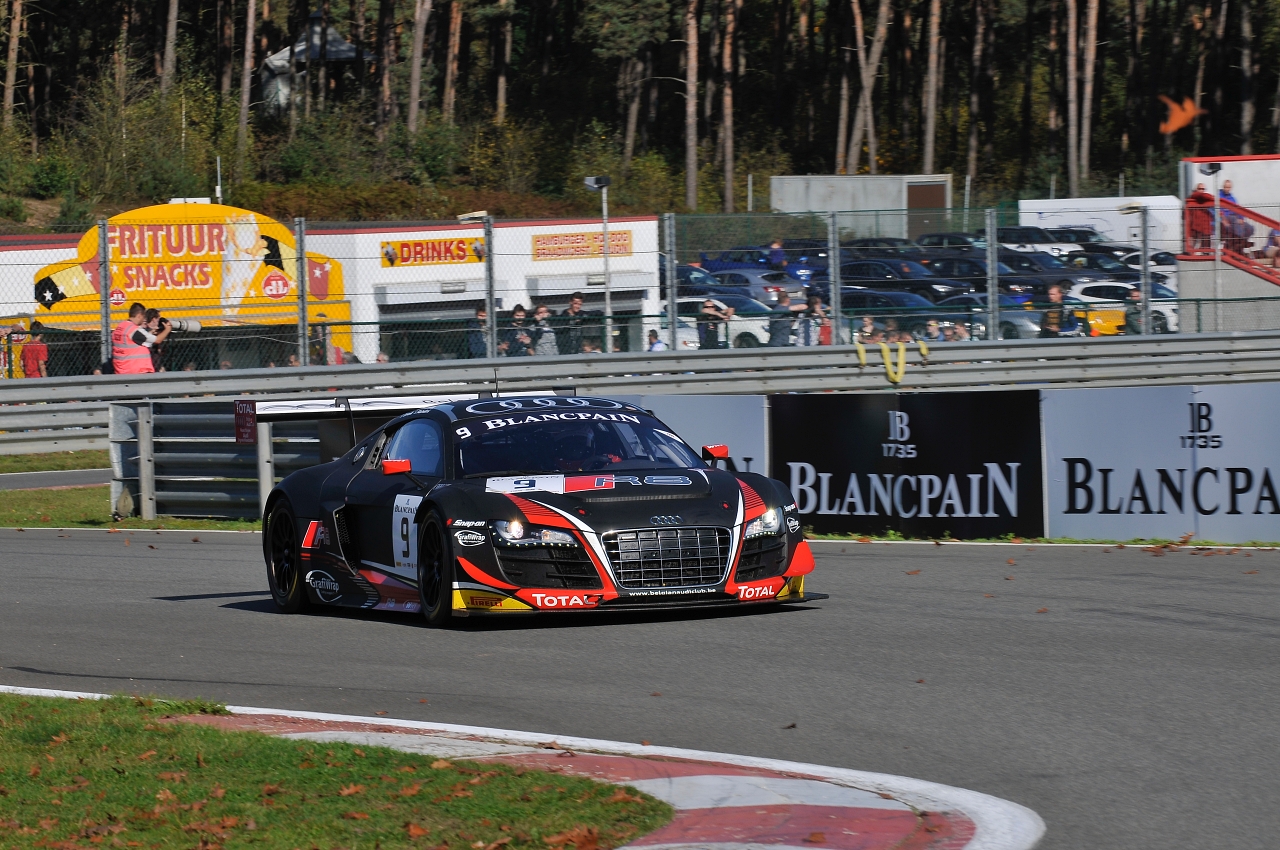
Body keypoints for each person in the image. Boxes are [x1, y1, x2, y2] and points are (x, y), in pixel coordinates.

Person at [112, 302, 170, 374]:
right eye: (143, 316)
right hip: (137, 371)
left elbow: (133, 342)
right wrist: (168, 329)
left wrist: (150, 333)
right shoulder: (134, 330)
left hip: (123, 370)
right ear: (139, 316)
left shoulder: (121, 327)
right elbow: (158, 340)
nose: (144, 319)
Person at [1186, 182, 1215, 252]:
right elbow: (1203, 196)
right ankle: (1192, 252)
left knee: (1206, 239)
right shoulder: (1194, 196)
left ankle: (1206, 252)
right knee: (1193, 240)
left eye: (1203, 189)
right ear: (1196, 189)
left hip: (1204, 223)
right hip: (1196, 223)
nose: (1201, 190)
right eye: (1200, 189)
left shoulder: (1204, 198)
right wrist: (1211, 197)